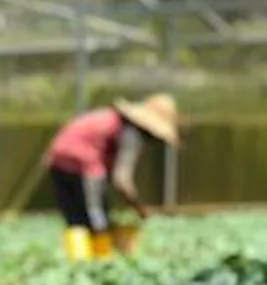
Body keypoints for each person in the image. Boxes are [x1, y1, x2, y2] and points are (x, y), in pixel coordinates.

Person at [44, 93, 180, 260]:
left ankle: (78, 265)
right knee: (97, 216)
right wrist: (138, 208)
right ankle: (102, 263)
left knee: (75, 219)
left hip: (57, 159)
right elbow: (121, 180)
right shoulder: (132, 133)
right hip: (85, 162)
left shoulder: (111, 119)